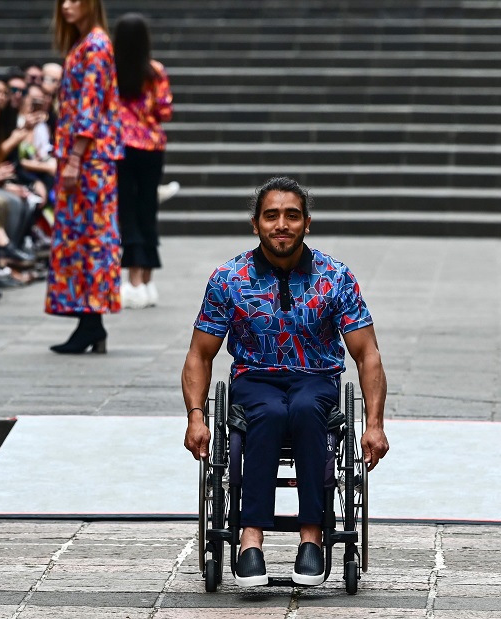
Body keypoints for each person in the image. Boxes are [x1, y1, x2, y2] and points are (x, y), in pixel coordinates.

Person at [181, 177, 389, 587]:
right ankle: (250, 539)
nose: (281, 225)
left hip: (316, 378)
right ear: (255, 223)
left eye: (292, 216)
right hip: (255, 378)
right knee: (269, 413)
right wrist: (196, 417)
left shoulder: (335, 276)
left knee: (308, 410)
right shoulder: (229, 278)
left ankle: (312, 537)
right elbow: (199, 354)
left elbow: (367, 353)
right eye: (271, 216)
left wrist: (375, 424)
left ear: (306, 223)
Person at [46, 0, 123, 354]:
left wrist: (75, 157)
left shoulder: (95, 44)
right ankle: (90, 321)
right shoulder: (86, 43)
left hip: (89, 158)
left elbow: (90, 105)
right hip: (85, 156)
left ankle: (91, 321)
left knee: (91, 238)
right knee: (81, 238)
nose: (67, 5)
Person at [113, 13, 172, 310]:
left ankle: (133, 279)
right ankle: (147, 280)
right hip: (151, 146)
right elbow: (164, 111)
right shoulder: (155, 71)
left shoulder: (111, 71)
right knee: (148, 208)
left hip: (120, 146)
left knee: (127, 209)